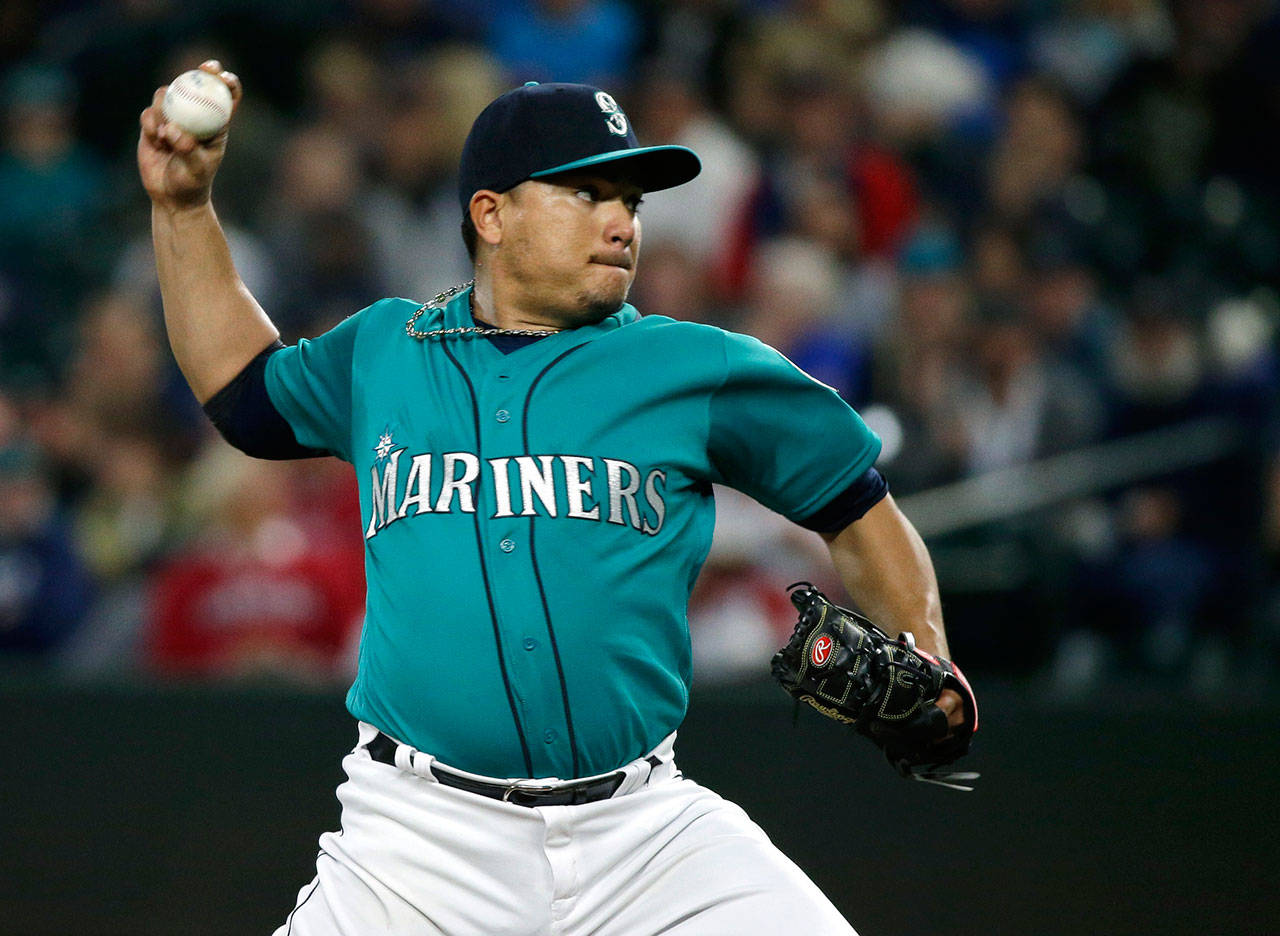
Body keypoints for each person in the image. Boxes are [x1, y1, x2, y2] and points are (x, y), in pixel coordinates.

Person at [138, 62, 971, 936]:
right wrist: (183, 211)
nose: (620, 221)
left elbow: (858, 503)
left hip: (645, 835)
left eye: (631, 201)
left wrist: (933, 659)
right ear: (490, 214)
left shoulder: (695, 368)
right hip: (418, 845)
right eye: (586, 193)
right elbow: (241, 388)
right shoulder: (385, 349)